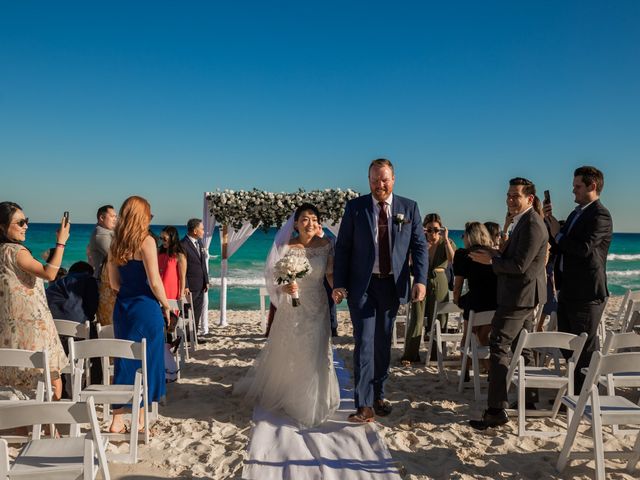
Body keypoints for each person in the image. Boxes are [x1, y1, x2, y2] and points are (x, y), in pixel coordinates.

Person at [333, 159, 428, 423]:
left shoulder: (409, 208)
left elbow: (419, 246)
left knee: (383, 343)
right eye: (375, 180)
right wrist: (339, 283)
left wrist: (420, 279)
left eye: (384, 179)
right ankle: (363, 404)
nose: (380, 185)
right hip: (362, 286)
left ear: (393, 179)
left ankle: (378, 394)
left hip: (392, 284)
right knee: (364, 342)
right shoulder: (355, 208)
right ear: (369, 181)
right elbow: (343, 248)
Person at [236, 203, 340, 427]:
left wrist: (337, 291)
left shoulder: (328, 245)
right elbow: (275, 277)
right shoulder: (286, 246)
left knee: (317, 349)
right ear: (295, 224)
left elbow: (330, 273)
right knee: (293, 349)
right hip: (292, 307)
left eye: (313, 218)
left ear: (319, 222)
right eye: (304, 219)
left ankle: (313, 401)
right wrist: (285, 288)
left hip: (318, 303)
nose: (309, 223)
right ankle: (291, 395)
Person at [468, 177, 548, 430]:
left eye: (516, 196)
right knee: (523, 348)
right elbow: (514, 257)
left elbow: (520, 266)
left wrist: (490, 262)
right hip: (521, 295)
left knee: (499, 344)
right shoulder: (521, 222)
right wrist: (495, 253)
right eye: (509, 195)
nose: (510, 199)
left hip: (518, 296)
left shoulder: (532, 224)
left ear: (529, 199)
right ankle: (530, 401)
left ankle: (495, 409)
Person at [543, 166, 612, 393]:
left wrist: (558, 233)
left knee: (584, 348)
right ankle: (576, 391)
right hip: (567, 289)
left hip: (587, 292)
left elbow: (582, 249)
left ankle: (581, 396)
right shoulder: (575, 214)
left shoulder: (600, 215)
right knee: (568, 346)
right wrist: (550, 225)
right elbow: (559, 245)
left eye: (578, 187)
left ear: (592, 186)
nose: (573, 191)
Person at [107, 196, 170, 434]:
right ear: (142, 216)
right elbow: (155, 282)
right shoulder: (147, 241)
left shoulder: (115, 244)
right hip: (145, 308)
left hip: (123, 308)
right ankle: (142, 421)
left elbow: (114, 283)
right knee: (148, 361)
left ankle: (117, 420)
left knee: (125, 361)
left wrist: (129, 292)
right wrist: (166, 305)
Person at [0, 202, 69, 400]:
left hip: (7, 330)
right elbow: (49, 273)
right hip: (33, 329)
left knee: (12, 385)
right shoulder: (16, 252)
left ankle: (21, 429)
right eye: (20, 222)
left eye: (26, 221)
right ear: (3, 226)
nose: (26, 226)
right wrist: (61, 242)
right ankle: (50, 428)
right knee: (52, 380)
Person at [401, 213, 455, 364]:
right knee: (417, 318)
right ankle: (410, 355)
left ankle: (436, 355)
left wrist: (446, 240)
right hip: (421, 280)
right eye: (430, 230)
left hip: (440, 280)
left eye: (437, 229)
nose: (433, 233)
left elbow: (453, 259)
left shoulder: (446, 242)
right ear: (424, 229)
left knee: (439, 319)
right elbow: (409, 261)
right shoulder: (419, 243)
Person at [452, 222, 497, 354]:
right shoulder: (494, 254)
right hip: (495, 304)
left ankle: (465, 372)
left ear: (469, 236)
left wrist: (457, 300)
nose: (462, 238)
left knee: (467, 337)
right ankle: (489, 369)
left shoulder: (463, 255)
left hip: (475, 303)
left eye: (463, 235)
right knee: (483, 337)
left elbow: (458, 284)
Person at [181, 218, 209, 336]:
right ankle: (185, 336)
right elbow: (182, 269)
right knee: (187, 313)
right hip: (190, 286)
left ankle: (194, 336)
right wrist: (185, 285)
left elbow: (203, 263)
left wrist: (206, 281)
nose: (204, 231)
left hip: (201, 284)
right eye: (202, 229)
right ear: (195, 231)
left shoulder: (200, 243)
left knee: (197, 312)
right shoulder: (183, 244)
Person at [158, 226, 187, 301]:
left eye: (165, 239)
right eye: (161, 238)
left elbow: (182, 277)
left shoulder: (179, 255)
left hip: (171, 291)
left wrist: (181, 295)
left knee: (170, 312)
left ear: (172, 238)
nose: (162, 241)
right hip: (158, 289)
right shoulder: (159, 252)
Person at [87, 205, 117, 278]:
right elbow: (116, 257)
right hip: (104, 283)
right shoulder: (101, 235)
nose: (115, 219)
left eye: (116, 216)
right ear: (102, 218)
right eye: (112, 216)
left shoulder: (107, 232)